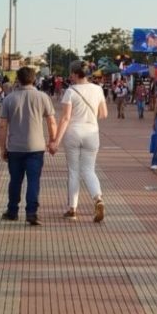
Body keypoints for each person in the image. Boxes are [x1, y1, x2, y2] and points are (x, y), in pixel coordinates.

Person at [0, 66, 57, 226]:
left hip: (15, 148)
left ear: (18, 79)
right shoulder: (43, 97)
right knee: (33, 181)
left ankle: (12, 211)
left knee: (15, 180)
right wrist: (53, 141)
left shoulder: (9, 99)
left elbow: (3, 126)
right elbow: (51, 121)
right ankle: (31, 212)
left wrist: (3, 148)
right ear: (34, 79)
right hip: (36, 148)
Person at [50, 60, 108, 222]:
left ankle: (72, 209)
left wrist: (56, 141)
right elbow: (104, 114)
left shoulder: (70, 91)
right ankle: (98, 198)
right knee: (89, 169)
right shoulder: (98, 89)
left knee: (74, 171)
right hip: (92, 132)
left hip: (73, 132)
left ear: (75, 74)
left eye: (71, 73)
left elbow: (66, 118)